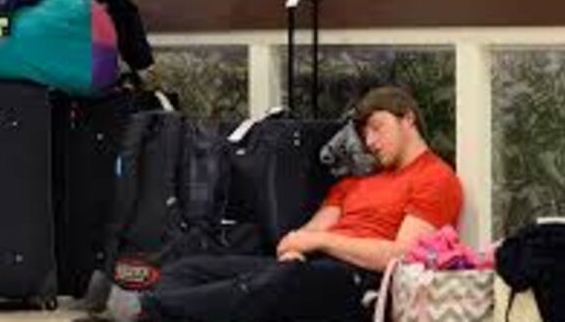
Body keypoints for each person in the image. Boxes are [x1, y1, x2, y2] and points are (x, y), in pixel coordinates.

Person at [92, 86, 463, 322]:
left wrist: (319, 243)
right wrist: (299, 246)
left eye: (377, 127)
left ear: (408, 119)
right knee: (188, 270)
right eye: (365, 132)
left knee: (275, 282)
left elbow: (400, 257)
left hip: (362, 281)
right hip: (309, 266)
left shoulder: (435, 178)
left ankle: (147, 314)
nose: (370, 141)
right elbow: (307, 233)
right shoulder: (357, 181)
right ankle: (159, 311)